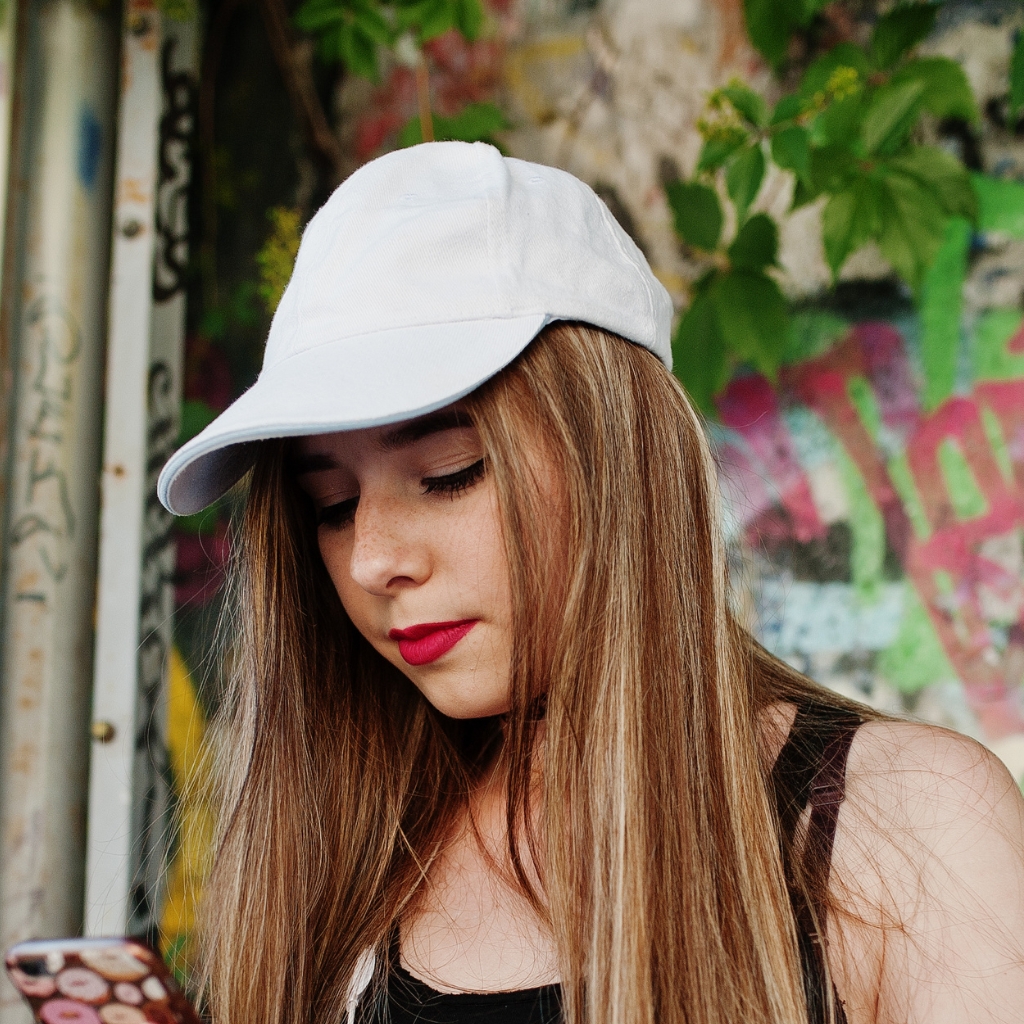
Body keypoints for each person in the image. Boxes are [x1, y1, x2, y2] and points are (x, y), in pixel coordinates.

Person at [158, 142, 1024, 1024]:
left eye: (450, 473)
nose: (372, 560)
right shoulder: (335, 860)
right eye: (333, 505)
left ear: (619, 461)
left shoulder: (908, 826)